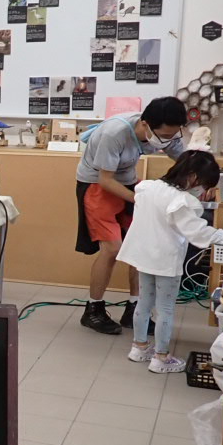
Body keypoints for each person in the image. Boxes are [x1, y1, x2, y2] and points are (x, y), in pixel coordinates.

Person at [74, 96, 187, 335]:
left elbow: (185, 160)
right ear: (145, 125)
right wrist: (141, 199)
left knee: (140, 246)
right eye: (164, 136)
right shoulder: (114, 134)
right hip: (97, 184)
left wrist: (204, 177)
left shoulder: (166, 132)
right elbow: (105, 180)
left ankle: (135, 310)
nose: (168, 141)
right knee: (112, 249)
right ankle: (93, 311)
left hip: (128, 182)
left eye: (173, 135)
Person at [117, 151, 223, 373]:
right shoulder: (181, 201)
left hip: (144, 255)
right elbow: (196, 231)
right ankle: (161, 358)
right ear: (194, 177)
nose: (202, 192)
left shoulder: (149, 187)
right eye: (204, 186)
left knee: (143, 303)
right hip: (165, 260)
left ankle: (139, 347)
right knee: (165, 309)